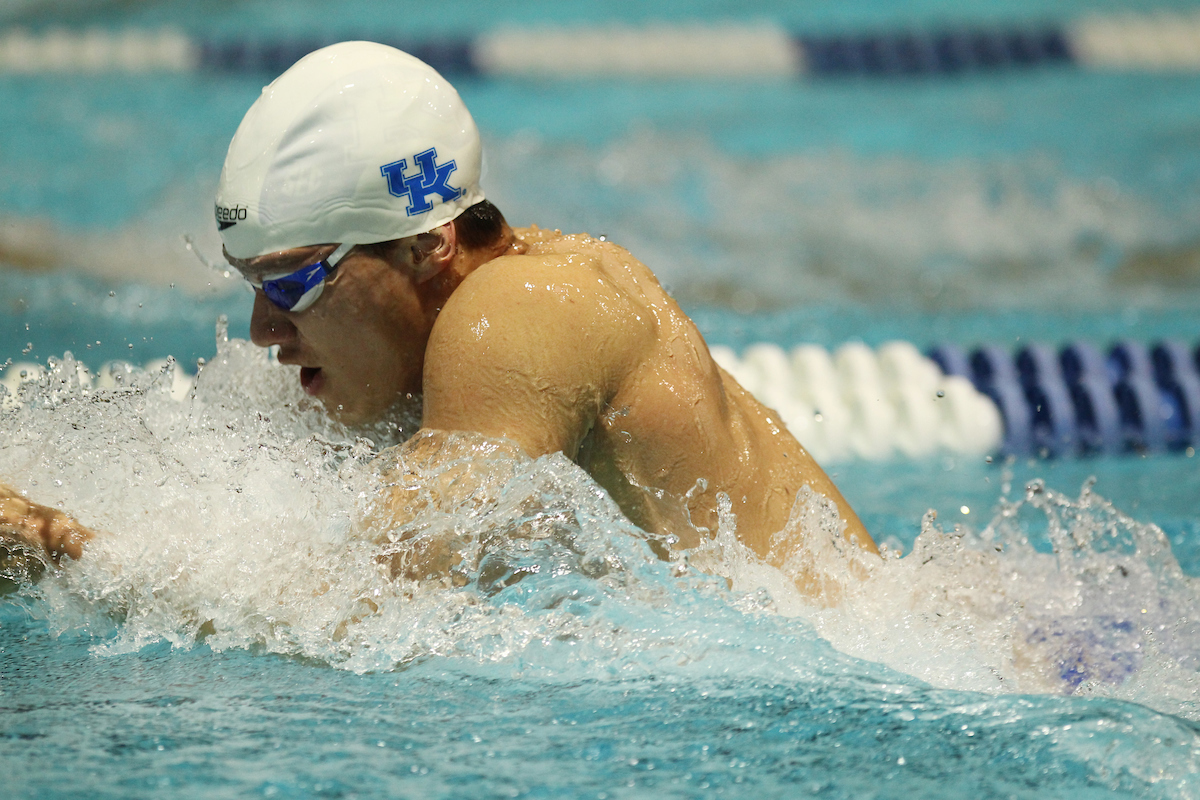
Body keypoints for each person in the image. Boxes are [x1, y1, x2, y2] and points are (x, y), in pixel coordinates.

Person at [0, 42, 875, 599]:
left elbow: (367, 607)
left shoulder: (523, 314)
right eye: (252, 284)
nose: (265, 330)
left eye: (298, 280)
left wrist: (67, 547)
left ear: (429, 247)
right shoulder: (442, 337)